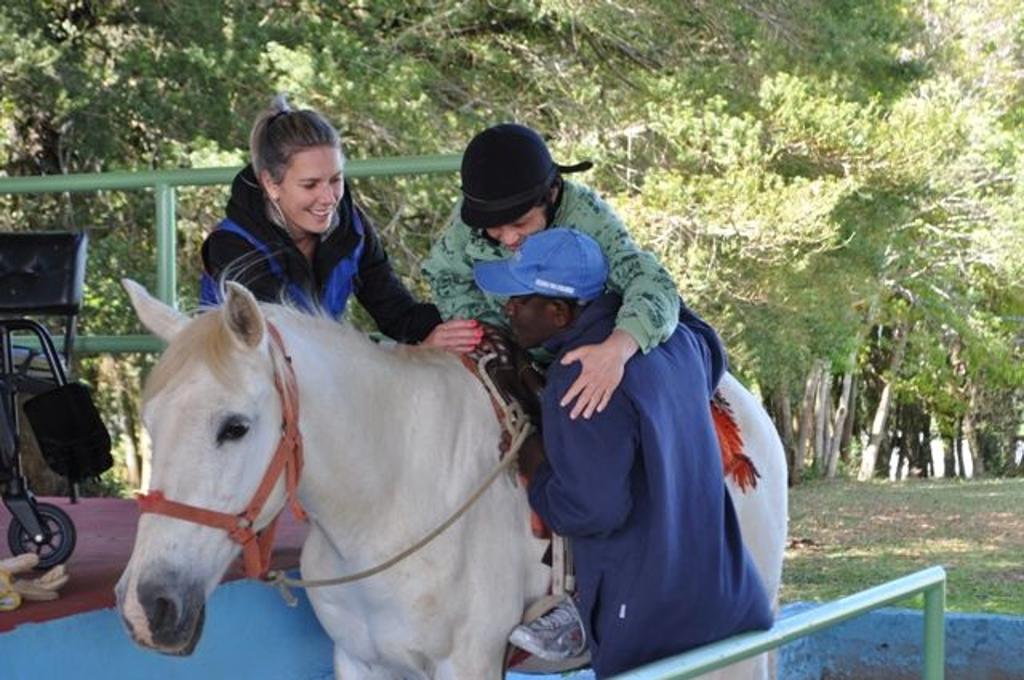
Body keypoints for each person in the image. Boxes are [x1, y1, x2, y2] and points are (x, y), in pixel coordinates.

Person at [473, 229, 773, 677]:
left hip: (649, 625)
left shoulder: (581, 379)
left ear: (558, 312)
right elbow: (712, 349)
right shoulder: (678, 341)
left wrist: (537, 464)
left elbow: (592, 509)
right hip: (722, 596)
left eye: (519, 300)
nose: (507, 309)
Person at [423, 123, 691, 418]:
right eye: (495, 229)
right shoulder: (474, 215)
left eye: (521, 223)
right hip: (514, 350)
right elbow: (446, 276)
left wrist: (618, 348)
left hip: (587, 346)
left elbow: (652, 283)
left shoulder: (589, 219)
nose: (510, 238)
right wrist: (498, 343)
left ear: (551, 195)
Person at [200, 94, 480, 352]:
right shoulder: (230, 245)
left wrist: (447, 329)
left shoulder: (352, 226)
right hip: (242, 382)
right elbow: (286, 343)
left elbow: (396, 312)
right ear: (271, 184)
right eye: (310, 185)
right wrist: (402, 353)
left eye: (335, 180)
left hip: (316, 374)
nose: (328, 198)